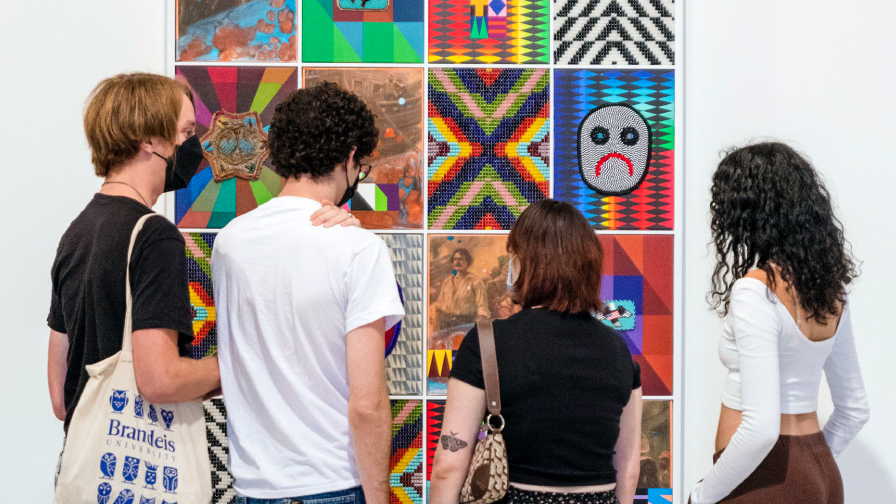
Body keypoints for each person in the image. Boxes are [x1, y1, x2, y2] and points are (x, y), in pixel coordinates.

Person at [212, 82, 405, 504]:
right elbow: (367, 404)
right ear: (351, 155)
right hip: (333, 484)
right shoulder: (358, 249)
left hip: (253, 488)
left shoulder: (228, 244)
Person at [46, 73, 221, 479]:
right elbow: (159, 380)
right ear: (150, 139)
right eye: (185, 131)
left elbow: (60, 397)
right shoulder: (153, 235)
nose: (192, 146)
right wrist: (235, 364)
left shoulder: (78, 231)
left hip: (85, 471)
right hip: (139, 477)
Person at [688, 143, 870, 503]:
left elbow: (759, 429)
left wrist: (702, 496)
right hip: (820, 472)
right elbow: (854, 409)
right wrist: (810, 468)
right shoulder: (830, 291)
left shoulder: (755, 291)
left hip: (764, 479)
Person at [429, 199, 643, 504]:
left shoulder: (488, 342)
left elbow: (449, 466)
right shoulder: (619, 350)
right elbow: (628, 469)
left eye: (513, 257)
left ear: (526, 264)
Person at [431, 248, 490, 330]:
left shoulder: (476, 282)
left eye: (461, 259)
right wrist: (434, 331)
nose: (457, 262)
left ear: (468, 262)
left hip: (465, 325)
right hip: (446, 325)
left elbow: (482, 309)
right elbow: (439, 308)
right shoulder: (447, 282)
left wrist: (474, 330)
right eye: (455, 259)